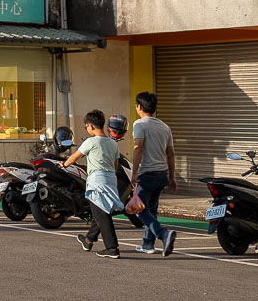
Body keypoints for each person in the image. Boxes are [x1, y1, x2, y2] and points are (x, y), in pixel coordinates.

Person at [65, 110, 123, 259]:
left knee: (100, 214)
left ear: (90, 126)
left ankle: (112, 248)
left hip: (97, 180)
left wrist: (63, 165)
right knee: (102, 211)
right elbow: (116, 164)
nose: (87, 130)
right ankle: (88, 240)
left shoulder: (90, 142)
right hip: (111, 179)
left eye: (86, 127)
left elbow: (74, 156)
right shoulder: (112, 143)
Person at [131, 91, 178, 256]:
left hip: (147, 174)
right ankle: (148, 244)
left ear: (140, 107)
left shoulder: (139, 124)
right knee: (152, 209)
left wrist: (134, 173)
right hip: (161, 175)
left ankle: (163, 234)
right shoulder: (165, 127)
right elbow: (170, 153)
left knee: (139, 210)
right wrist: (172, 177)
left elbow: (138, 148)